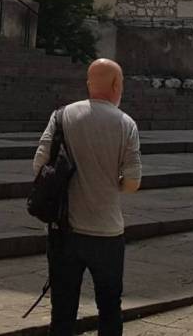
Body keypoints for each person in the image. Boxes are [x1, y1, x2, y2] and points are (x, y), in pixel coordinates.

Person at [34, 58, 142, 336]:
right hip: (107, 232)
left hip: (64, 231)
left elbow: (39, 165)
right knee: (109, 307)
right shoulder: (126, 124)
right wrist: (111, 183)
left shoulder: (61, 116)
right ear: (116, 85)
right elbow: (133, 183)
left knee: (62, 310)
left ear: (88, 84)